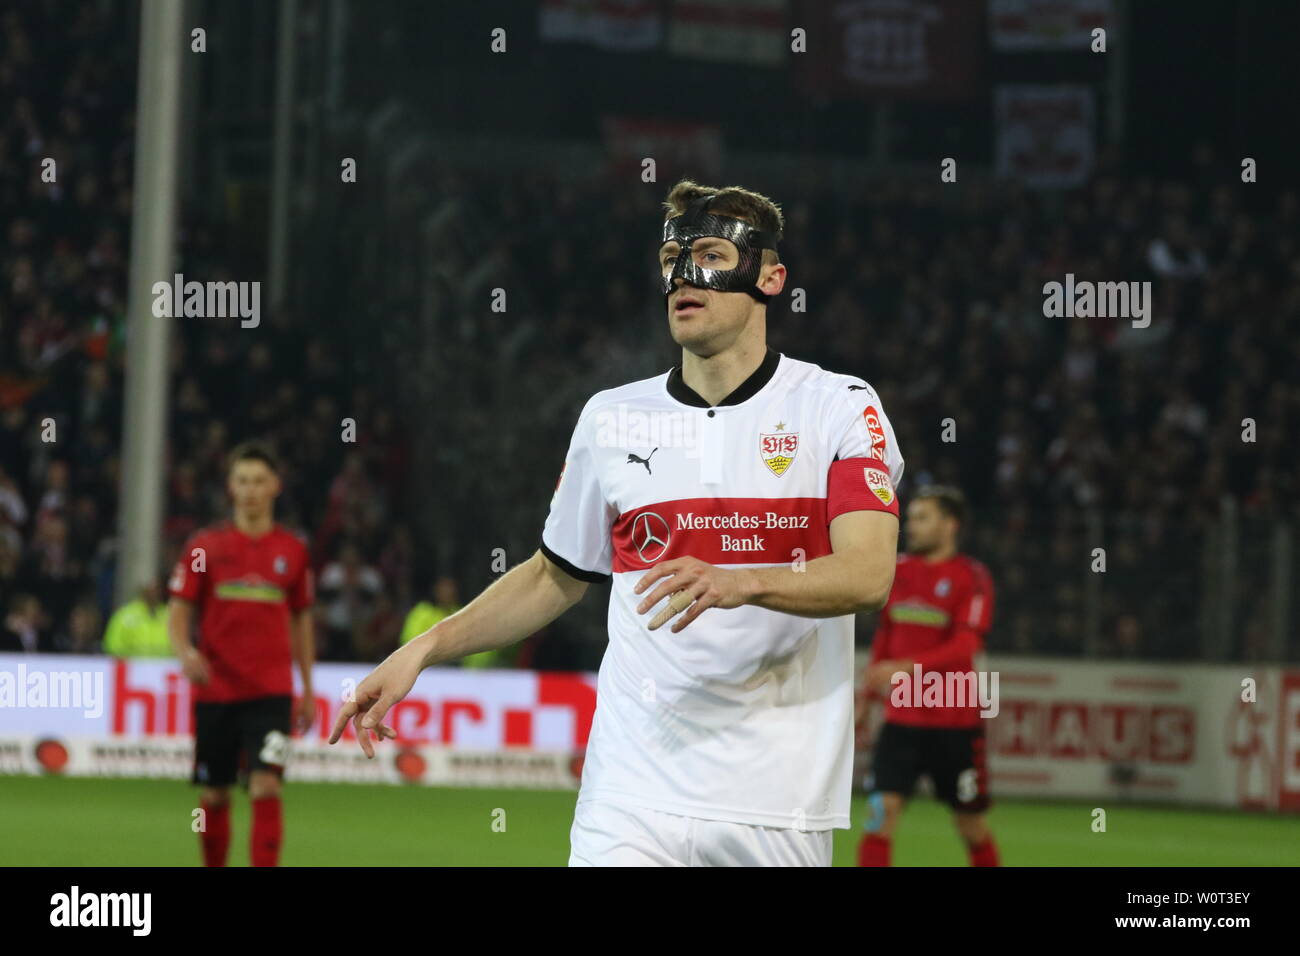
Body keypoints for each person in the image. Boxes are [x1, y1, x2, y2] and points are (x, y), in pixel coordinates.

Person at [330, 180, 904, 867]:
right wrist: (420, 649)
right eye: (670, 261)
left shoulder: (838, 407)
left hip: (774, 803)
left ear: (771, 277)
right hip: (629, 793)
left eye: (714, 256)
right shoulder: (612, 418)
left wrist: (742, 580)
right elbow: (553, 577)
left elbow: (869, 574)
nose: (684, 278)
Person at [167, 441, 315, 867]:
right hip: (216, 691)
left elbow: (302, 621)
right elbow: (179, 609)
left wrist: (305, 688)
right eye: (242, 481)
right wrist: (184, 651)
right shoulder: (202, 548)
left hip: (270, 691)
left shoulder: (294, 552)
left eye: (259, 481)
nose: (250, 490)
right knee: (214, 792)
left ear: (276, 487)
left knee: (266, 785)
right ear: (230, 488)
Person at [855, 485, 999, 867]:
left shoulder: (973, 576)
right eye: (910, 518)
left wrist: (905, 668)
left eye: (922, 518)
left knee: (970, 824)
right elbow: (886, 636)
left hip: (955, 723)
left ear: (950, 525)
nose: (911, 526)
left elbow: (967, 644)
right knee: (879, 816)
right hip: (901, 721)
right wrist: (866, 698)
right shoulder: (896, 570)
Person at [103, 579, 170, 657]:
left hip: (163, 665)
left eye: (156, 590)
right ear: (142, 591)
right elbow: (113, 645)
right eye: (150, 590)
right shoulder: (124, 615)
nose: (153, 593)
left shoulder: (168, 615)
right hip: (133, 665)